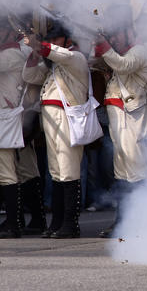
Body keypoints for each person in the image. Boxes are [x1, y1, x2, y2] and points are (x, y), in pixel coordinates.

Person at [22, 17, 91, 238]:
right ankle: (58, 223)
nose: (54, 42)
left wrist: (39, 46)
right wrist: (35, 53)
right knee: (56, 172)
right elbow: (29, 75)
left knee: (68, 170)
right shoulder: (52, 64)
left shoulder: (75, 57)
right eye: (50, 39)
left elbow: (63, 54)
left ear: (67, 39)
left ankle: (71, 224)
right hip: (51, 120)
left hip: (67, 119)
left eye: (57, 38)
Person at [93, 4, 147, 238]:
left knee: (136, 169)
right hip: (119, 118)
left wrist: (104, 46)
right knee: (121, 171)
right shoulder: (119, 54)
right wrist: (96, 45)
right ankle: (122, 222)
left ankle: (144, 221)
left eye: (118, 35)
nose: (116, 39)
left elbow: (123, 65)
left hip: (133, 117)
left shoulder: (138, 51)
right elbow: (97, 63)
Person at [0, 15, 28, 238]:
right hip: (3, 115)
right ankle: (14, 219)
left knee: (7, 173)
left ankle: (13, 223)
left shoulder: (11, 53)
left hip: (5, 117)